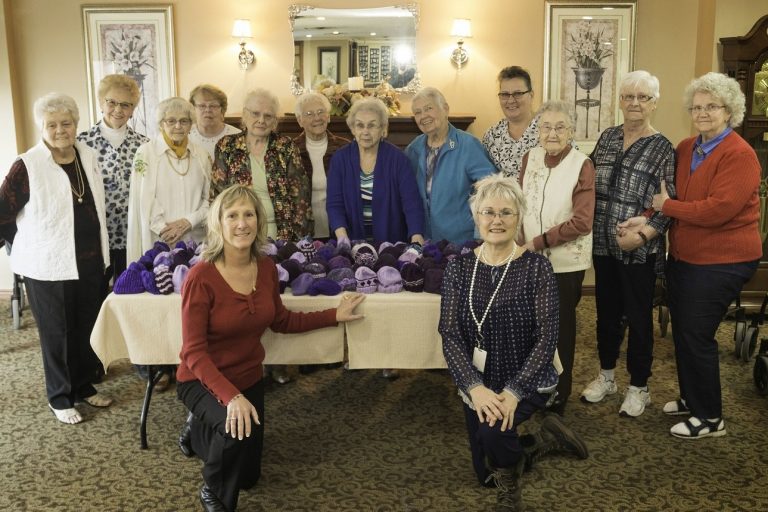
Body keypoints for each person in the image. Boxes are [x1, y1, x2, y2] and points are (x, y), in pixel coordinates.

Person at [176, 185, 365, 511]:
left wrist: (334, 315)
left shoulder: (265, 267)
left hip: (247, 377)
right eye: (232, 216)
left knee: (248, 476)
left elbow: (281, 320)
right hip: (201, 380)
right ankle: (213, 492)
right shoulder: (200, 277)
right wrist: (231, 398)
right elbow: (193, 353)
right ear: (218, 223)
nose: (242, 223)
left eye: (248, 214)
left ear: (259, 220)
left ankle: (199, 431)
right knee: (233, 436)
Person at [439, 174, 588, 510]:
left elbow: (547, 338)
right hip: (479, 380)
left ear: (519, 218)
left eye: (506, 212)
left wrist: (513, 392)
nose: (497, 220)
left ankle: (512, 489)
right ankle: (542, 441)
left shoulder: (537, 268)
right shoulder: (458, 269)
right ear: (476, 217)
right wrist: (474, 387)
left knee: (493, 433)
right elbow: (450, 334)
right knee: (485, 474)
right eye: (489, 212)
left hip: (528, 378)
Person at [652, 73, 761, 438]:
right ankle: (691, 399)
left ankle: (711, 418)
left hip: (723, 261)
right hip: (687, 257)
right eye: (696, 107)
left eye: (711, 106)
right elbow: (671, 195)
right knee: (684, 332)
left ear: (729, 111)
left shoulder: (740, 155)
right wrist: (654, 214)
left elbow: (718, 210)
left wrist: (668, 207)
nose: (702, 113)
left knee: (697, 334)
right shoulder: (686, 148)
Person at [0, 93, 112, 424]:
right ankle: (60, 396)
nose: (60, 130)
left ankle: (83, 385)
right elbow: (3, 212)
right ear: (42, 127)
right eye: (52, 125)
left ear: (76, 124)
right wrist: (25, 244)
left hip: (89, 260)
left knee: (86, 327)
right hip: (48, 266)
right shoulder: (28, 164)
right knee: (57, 333)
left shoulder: (86, 154)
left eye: (66, 123)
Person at [579, 70, 676, 417]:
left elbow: (669, 204)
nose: (635, 103)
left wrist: (644, 234)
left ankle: (639, 387)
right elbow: (587, 183)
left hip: (639, 250)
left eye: (643, 97)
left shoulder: (663, 148)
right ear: (620, 101)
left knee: (638, 318)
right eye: (628, 96)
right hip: (603, 246)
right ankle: (607, 376)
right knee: (606, 314)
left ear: (654, 103)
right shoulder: (607, 137)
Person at [519, 100, 595, 415]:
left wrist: (537, 242)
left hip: (565, 264)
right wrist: (518, 242)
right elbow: (521, 204)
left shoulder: (582, 164)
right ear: (537, 131)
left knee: (560, 330)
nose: (552, 133)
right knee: (531, 326)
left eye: (560, 127)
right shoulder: (530, 157)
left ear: (571, 131)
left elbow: (582, 222)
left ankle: (558, 395)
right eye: (546, 127)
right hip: (529, 258)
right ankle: (533, 386)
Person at [212, 88, 312, 241]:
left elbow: (301, 198)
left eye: (268, 116)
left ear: (275, 121)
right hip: (239, 232)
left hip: (280, 234)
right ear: (244, 115)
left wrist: (298, 241)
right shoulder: (226, 146)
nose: (261, 120)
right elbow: (217, 196)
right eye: (255, 113)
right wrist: (221, 237)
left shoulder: (285, 146)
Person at [77, 74, 149, 285]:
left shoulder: (144, 145)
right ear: (101, 103)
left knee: (131, 287)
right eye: (112, 102)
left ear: (132, 109)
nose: (118, 110)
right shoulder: (82, 143)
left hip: (132, 231)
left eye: (125, 105)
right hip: (97, 234)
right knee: (96, 290)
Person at [327, 97, 425, 245]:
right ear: (353, 129)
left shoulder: (398, 160)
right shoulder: (340, 159)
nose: (365, 131)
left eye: (372, 125)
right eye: (360, 125)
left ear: (383, 129)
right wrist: (342, 237)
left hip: (391, 244)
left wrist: (416, 236)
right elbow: (334, 204)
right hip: (351, 242)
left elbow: (411, 203)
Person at [405, 87, 496, 244]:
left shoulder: (467, 145)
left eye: (428, 108)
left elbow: (491, 190)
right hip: (425, 242)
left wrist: (480, 235)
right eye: (417, 112)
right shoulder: (414, 149)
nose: (423, 116)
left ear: (445, 109)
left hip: (461, 242)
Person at [126, 97, 212, 263]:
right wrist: (164, 230)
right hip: (159, 240)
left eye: (184, 121)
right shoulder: (145, 153)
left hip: (196, 241)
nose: (178, 126)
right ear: (161, 124)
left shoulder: (202, 155)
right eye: (171, 121)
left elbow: (209, 199)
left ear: (191, 124)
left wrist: (189, 221)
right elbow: (143, 199)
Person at [293, 92, 349, 239]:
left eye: (320, 112)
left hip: (341, 230)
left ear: (328, 116)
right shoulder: (290, 151)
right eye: (309, 114)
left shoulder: (345, 148)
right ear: (300, 120)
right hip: (303, 232)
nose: (317, 118)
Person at [482, 66, 540, 179]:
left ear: (531, 95)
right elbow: (485, 178)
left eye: (518, 94)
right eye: (505, 94)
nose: (511, 100)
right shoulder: (491, 136)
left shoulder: (550, 129)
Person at [188, 84, 241, 160]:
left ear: (222, 110)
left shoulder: (237, 138)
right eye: (202, 106)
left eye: (213, 106)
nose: (207, 110)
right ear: (193, 109)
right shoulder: (185, 136)